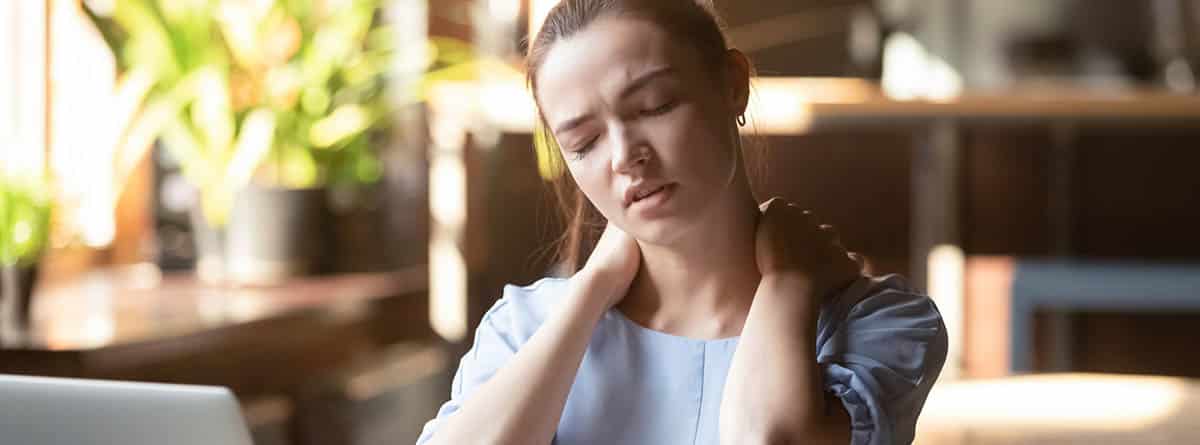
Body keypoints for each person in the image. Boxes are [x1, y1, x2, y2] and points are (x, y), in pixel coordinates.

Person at [416, 1, 947, 444]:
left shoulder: (882, 325)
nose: (625, 155)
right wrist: (593, 289)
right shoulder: (524, 328)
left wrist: (790, 282)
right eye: (584, 143)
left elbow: (767, 437)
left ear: (733, 85)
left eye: (655, 105)